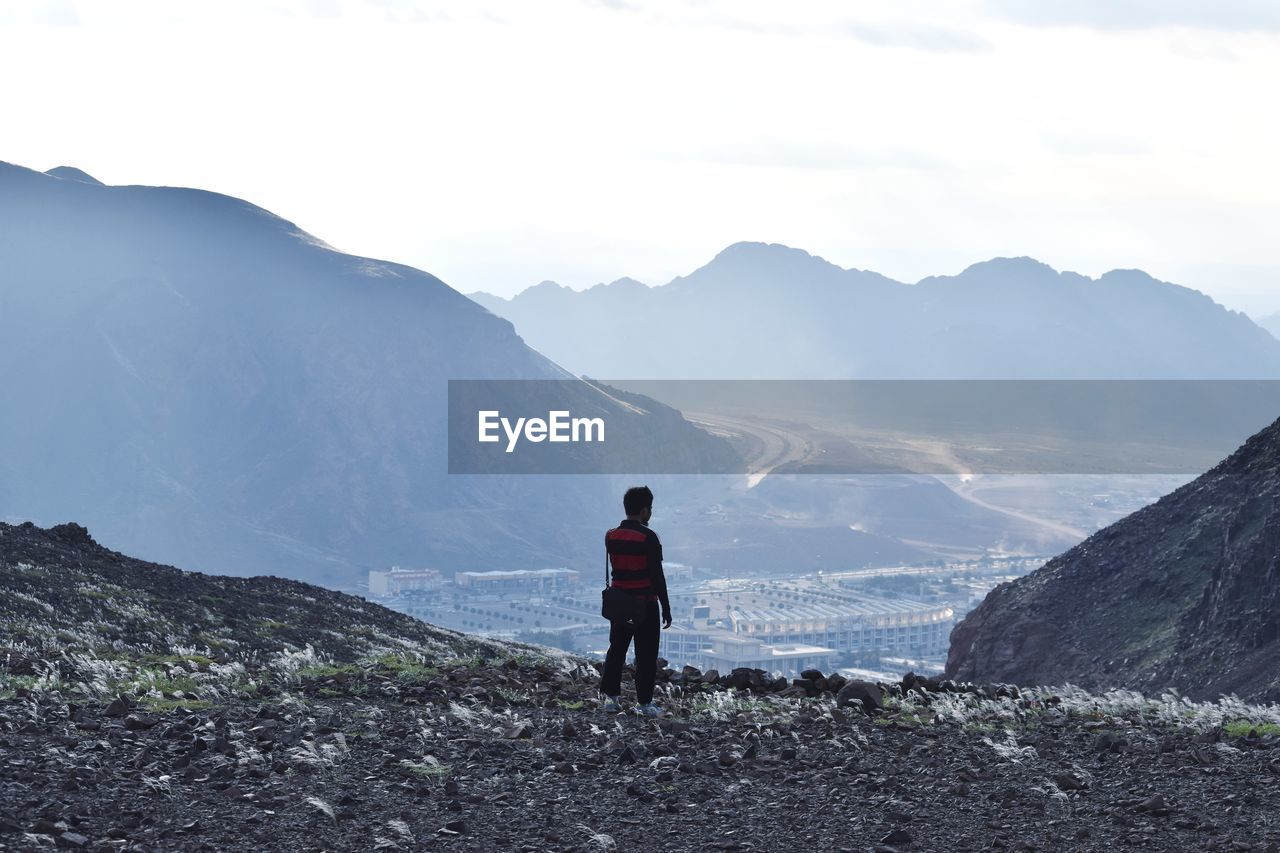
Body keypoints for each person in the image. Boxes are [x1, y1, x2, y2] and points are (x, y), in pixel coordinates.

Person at [600, 485, 672, 716]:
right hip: (645, 603)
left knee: (617, 650)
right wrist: (666, 607)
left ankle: (611, 699)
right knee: (646, 655)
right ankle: (644, 704)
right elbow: (657, 576)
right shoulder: (648, 537)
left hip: (620, 603)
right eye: (649, 509)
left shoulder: (610, 535)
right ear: (644, 511)